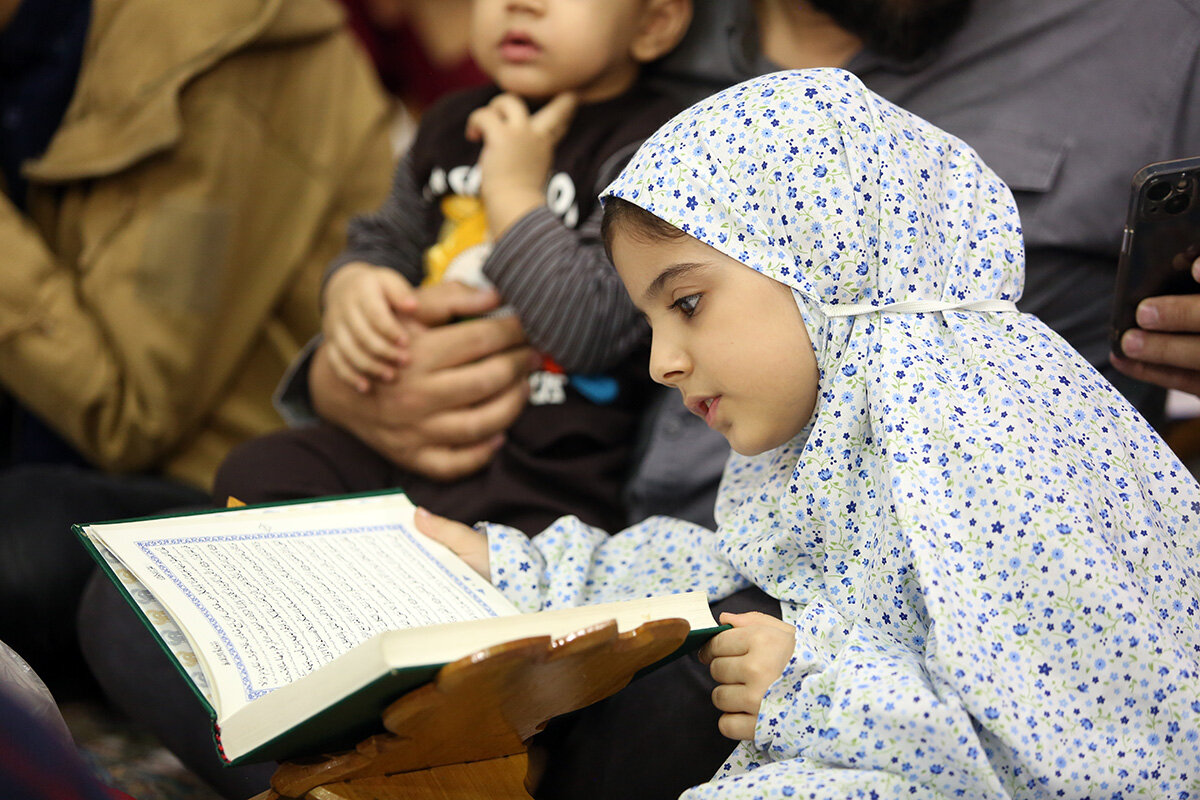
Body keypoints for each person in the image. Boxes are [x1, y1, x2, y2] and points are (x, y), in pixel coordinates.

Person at [415, 69, 1200, 798]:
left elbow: (1092, 755)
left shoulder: (981, 430)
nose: (662, 363)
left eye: (685, 303)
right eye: (649, 322)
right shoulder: (845, 419)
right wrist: (521, 571)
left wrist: (813, 693)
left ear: (824, 257)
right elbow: (728, 562)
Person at [0, 0, 393, 691]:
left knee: (17, 546)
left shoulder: (209, 55)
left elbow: (129, 413)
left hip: (233, 489)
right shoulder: (39, 48)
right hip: (59, 447)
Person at [213, 0, 694, 536]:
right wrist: (355, 285)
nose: (519, 6)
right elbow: (382, 241)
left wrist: (511, 190)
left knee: (532, 573)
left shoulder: (655, 146)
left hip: (549, 478)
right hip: (397, 449)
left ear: (653, 24)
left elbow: (586, 331)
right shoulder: (450, 121)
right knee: (258, 471)